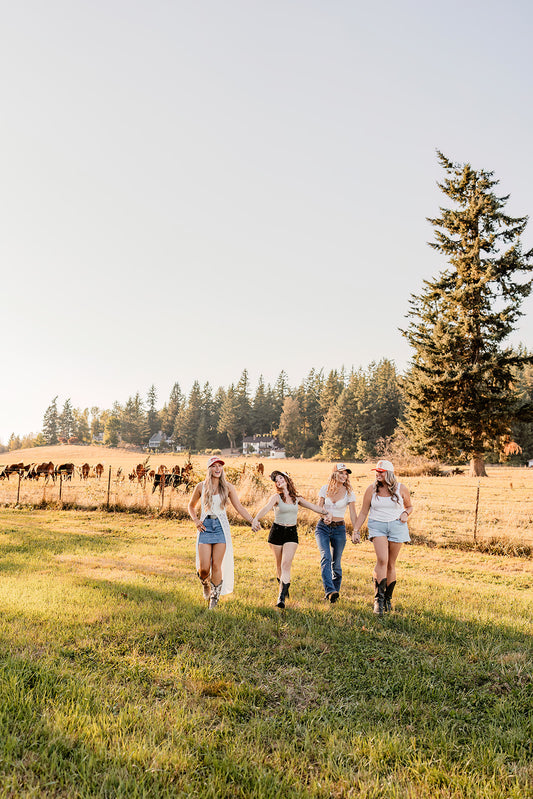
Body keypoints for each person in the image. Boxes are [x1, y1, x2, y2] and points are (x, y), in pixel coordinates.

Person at [252, 470, 332, 608]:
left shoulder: (297, 498)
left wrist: (326, 513)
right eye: (276, 480)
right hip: (276, 532)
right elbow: (265, 508)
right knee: (279, 566)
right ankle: (283, 588)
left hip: (291, 533)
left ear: (287, 479)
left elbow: (314, 507)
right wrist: (255, 519)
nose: (279, 481)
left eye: (281, 478)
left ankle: (281, 598)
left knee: (286, 564)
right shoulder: (276, 497)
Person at [188, 456, 254, 609]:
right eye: (214, 466)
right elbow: (191, 506)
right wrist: (196, 520)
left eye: (220, 466)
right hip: (205, 527)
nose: (217, 469)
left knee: (217, 565)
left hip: (221, 528)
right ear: (209, 469)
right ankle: (205, 584)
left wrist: (252, 520)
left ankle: (214, 598)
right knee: (204, 568)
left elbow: (239, 507)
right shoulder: (201, 487)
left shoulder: (228, 487)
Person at [351, 459, 413, 616]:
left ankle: (387, 599)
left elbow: (409, 506)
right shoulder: (371, 489)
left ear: (389, 474)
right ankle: (378, 601)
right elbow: (364, 511)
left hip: (397, 526)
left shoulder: (401, 488)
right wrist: (356, 529)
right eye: (376, 471)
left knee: (391, 564)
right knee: (382, 560)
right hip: (377, 526)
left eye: (381, 472)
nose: (377, 474)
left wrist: (405, 513)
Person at [315, 463, 358, 603]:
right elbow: (318, 508)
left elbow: (353, 514)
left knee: (336, 564)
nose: (344, 476)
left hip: (339, 529)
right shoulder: (324, 489)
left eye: (346, 474)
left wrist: (355, 531)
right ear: (334, 474)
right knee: (325, 557)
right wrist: (324, 516)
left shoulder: (349, 493)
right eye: (341, 473)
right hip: (323, 528)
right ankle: (329, 590)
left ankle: (334, 594)